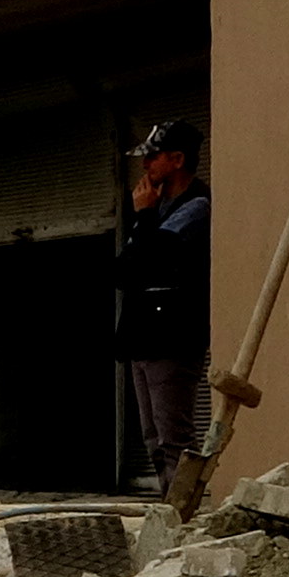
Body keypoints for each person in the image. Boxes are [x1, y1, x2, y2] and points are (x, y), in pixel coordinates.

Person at [112, 117, 211, 488]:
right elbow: (124, 272)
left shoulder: (196, 206)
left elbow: (156, 257)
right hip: (144, 335)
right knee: (153, 435)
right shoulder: (154, 209)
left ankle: (183, 507)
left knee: (174, 436)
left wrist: (146, 216)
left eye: (152, 158)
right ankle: (168, 504)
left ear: (177, 159)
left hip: (172, 335)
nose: (145, 166)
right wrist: (146, 218)